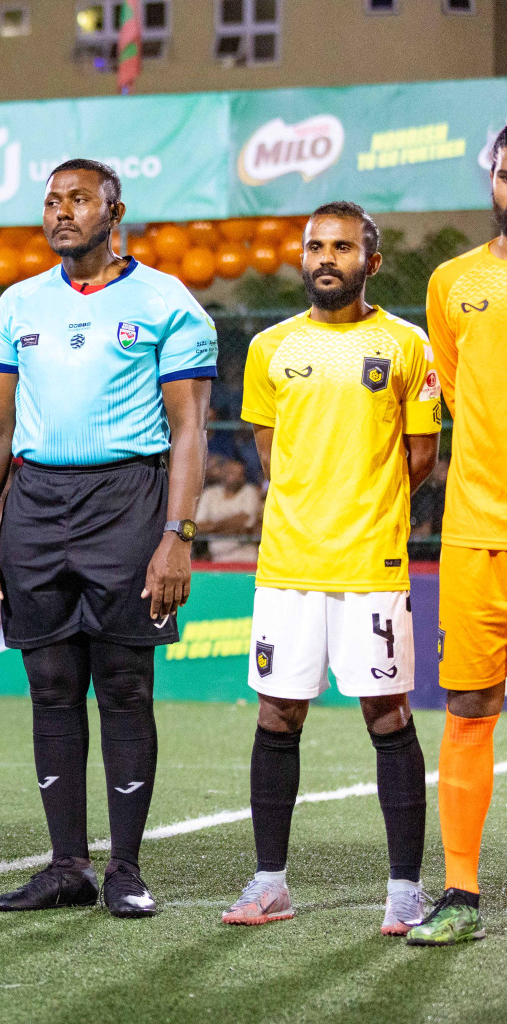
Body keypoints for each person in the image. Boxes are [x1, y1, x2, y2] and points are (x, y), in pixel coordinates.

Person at [0, 159, 215, 918]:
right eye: (51, 202)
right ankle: (66, 865)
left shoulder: (169, 302)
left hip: (129, 501)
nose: (63, 213)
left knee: (127, 688)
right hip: (36, 505)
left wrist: (178, 535)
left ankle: (126, 870)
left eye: (79, 200)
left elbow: (190, 430)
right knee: (51, 689)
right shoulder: (17, 304)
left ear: (115, 209)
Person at [221, 202, 439, 936]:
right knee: (277, 713)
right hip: (287, 564)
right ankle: (270, 882)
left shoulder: (407, 344)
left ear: (370, 262)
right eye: (316, 245)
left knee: (388, 714)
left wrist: (363, 507)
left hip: (371, 565)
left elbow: (420, 459)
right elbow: (270, 452)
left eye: (342, 247)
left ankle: (404, 890)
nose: (325, 257)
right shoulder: (271, 348)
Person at [408, 123, 507, 946]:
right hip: (477, 529)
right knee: (471, 704)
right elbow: (447, 395)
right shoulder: (452, 282)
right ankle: (462, 893)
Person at [195, 458, 262, 563]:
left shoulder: (249, 491)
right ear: (222, 472)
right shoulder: (210, 494)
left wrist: (212, 527)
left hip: (247, 558)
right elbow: (198, 526)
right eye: (229, 471)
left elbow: (244, 523)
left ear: (243, 476)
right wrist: (230, 525)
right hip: (216, 559)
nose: (232, 476)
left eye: (237, 473)